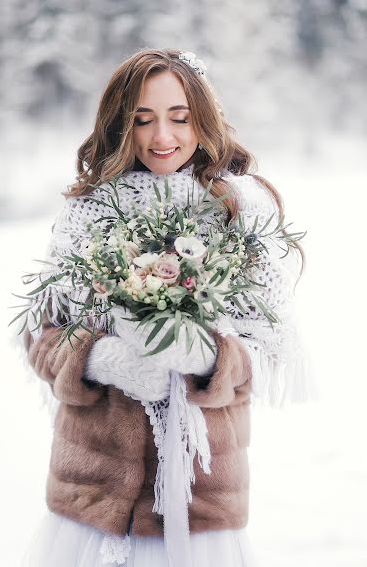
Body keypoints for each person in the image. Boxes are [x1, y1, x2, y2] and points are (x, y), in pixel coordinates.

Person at [18, 48, 316, 567]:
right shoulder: (88, 208)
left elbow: (270, 346)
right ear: (120, 124)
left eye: (179, 118)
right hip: (93, 500)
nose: (163, 138)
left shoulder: (238, 206)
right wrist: (103, 361)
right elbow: (41, 334)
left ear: (203, 117)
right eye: (143, 120)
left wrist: (206, 357)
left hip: (199, 501)